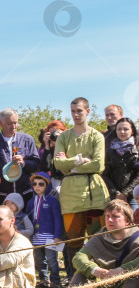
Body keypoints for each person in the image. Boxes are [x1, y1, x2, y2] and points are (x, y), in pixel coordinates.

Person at [57, 199, 139, 288]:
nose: (110, 220)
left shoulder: (137, 236)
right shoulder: (99, 237)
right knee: (82, 272)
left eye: (115, 217)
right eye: (107, 216)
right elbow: (79, 257)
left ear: (127, 221)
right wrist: (96, 270)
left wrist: (122, 270)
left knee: (136, 275)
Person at [53, 97, 109, 271]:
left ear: (88, 111)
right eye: (73, 111)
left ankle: (99, 277)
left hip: (95, 195)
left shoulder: (97, 136)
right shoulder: (64, 137)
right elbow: (58, 164)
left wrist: (72, 166)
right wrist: (79, 160)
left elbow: (99, 164)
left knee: (97, 238)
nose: (76, 115)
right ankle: (75, 278)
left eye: (79, 111)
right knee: (73, 240)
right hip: (71, 197)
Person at [0, 108, 40, 204]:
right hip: (2, 195)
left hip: (25, 194)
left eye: (16, 123)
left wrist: (24, 163)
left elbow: (36, 165)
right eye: (9, 123)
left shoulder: (28, 140)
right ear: (0, 123)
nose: (14, 126)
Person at [25, 172, 64, 288]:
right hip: (35, 237)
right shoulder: (31, 202)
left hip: (50, 236)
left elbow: (58, 219)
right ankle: (43, 280)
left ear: (47, 186)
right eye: (34, 184)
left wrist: (58, 235)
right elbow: (28, 219)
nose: (37, 186)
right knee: (39, 259)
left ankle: (55, 281)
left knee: (52, 259)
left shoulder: (52, 200)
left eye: (41, 184)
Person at [102, 117, 139, 211]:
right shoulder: (109, 151)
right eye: (119, 129)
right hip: (114, 195)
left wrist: (126, 193)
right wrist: (116, 193)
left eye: (126, 129)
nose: (122, 132)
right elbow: (105, 174)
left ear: (133, 131)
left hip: (134, 196)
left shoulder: (137, 150)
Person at [38, 120, 67, 193]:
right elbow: (44, 168)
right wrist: (47, 146)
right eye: (52, 133)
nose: (54, 135)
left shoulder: (69, 145)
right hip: (54, 183)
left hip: (67, 182)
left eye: (57, 132)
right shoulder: (47, 148)